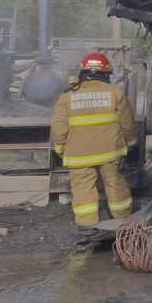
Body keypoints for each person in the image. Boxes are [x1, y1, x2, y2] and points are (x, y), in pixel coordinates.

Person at [51, 52, 136, 229]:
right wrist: (130, 142)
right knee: (115, 183)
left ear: (82, 72)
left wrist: (60, 148)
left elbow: (59, 127)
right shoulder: (115, 92)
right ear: (106, 73)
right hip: (110, 151)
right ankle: (124, 221)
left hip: (79, 154)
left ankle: (87, 226)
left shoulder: (67, 96)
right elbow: (127, 123)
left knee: (82, 188)